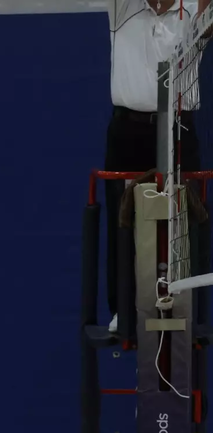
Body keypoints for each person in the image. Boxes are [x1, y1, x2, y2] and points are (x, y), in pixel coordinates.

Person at [104, 0, 208, 332]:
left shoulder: (194, 8)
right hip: (128, 131)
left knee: (185, 223)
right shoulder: (122, 8)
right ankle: (123, 309)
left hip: (180, 128)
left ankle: (183, 309)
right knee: (122, 224)